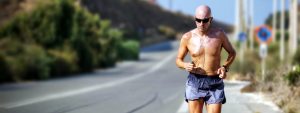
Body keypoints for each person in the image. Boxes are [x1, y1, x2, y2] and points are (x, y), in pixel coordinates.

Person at [175, 5, 236, 113]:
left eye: (205, 20)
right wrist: (185, 65)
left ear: (210, 19)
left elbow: (232, 53)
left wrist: (224, 67)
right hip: (195, 81)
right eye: (198, 20)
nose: (201, 24)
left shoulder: (219, 35)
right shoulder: (187, 37)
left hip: (215, 81)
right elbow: (178, 60)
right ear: (195, 19)